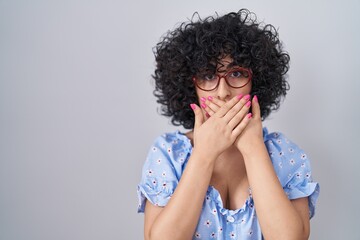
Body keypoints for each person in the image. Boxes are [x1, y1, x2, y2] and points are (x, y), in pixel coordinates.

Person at [137, 9, 319, 240]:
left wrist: (254, 151)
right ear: (189, 86)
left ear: (257, 81)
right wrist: (204, 155)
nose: (223, 92)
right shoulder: (168, 153)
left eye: (237, 73)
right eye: (208, 76)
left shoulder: (285, 154)